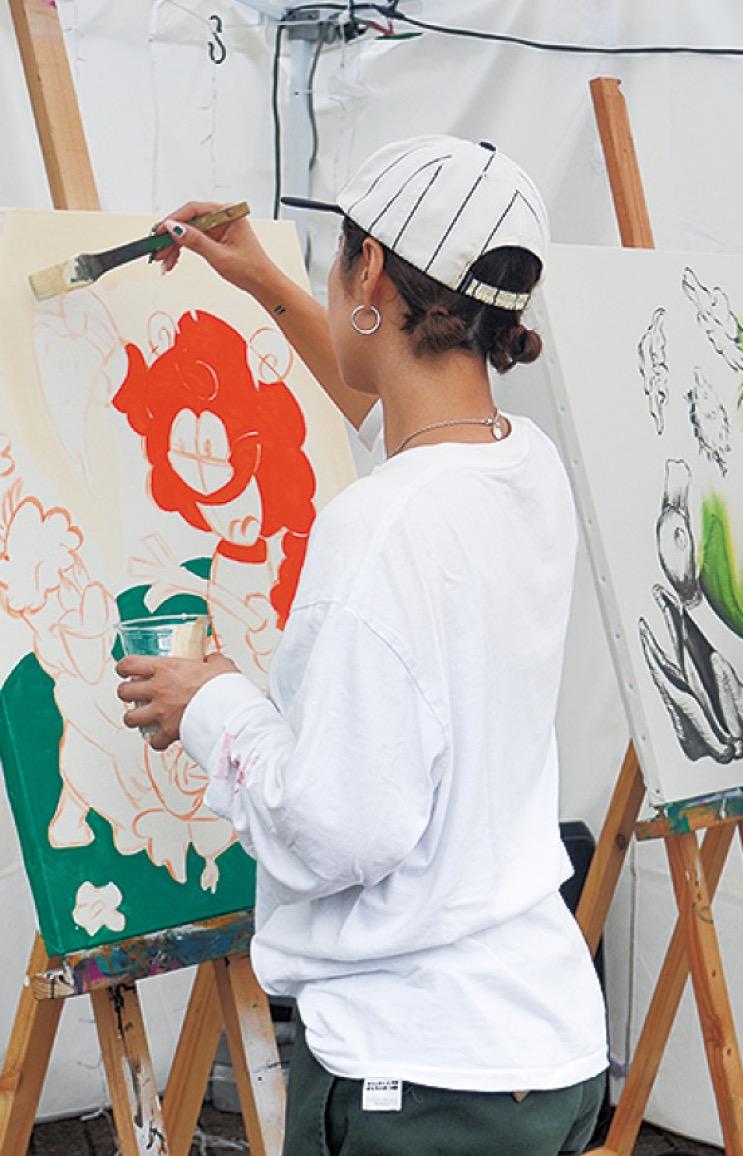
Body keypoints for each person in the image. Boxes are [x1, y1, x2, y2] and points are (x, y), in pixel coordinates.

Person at [115, 136, 608, 1156]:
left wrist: (210, 703)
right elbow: (398, 419)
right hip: (539, 1047)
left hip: (420, 1078)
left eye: (339, 258)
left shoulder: (380, 528)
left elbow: (335, 830)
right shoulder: (525, 466)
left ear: (370, 268)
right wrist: (267, 282)